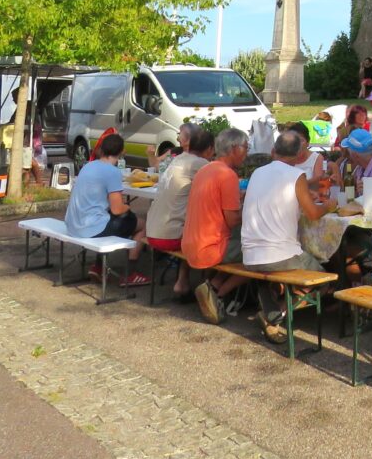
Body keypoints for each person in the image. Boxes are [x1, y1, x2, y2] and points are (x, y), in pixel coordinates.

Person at [241, 130, 339, 343]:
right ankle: (276, 316)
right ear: (298, 155)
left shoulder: (258, 172)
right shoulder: (296, 176)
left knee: (265, 274)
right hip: (280, 255)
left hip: (249, 255)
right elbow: (313, 214)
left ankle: (270, 310)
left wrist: (305, 196)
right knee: (324, 281)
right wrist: (330, 205)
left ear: (274, 150)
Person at [63, 132, 150, 287]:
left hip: (73, 223)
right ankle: (130, 273)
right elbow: (117, 209)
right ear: (121, 152)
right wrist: (127, 206)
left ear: (102, 149)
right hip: (89, 228)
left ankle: (98, 267)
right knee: (142, 224)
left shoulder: (88, 166)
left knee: (107, 218)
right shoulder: (112, 171)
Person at [184, 127, 251, 324]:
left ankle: (212, 287)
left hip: (191, 242)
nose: (247, 152)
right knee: (258, 253)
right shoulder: (227, 175)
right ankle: (216, 292)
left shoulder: (205, 169)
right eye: (246, 148)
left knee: (242, 244)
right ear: (234, 149)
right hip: (210, 247)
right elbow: (232, 221)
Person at [145, 123, 212, 299]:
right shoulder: (201, 164)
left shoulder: (178, 159)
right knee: (202, 234)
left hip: (151, 230)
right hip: (169, 236)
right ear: (209, 149)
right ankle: (202, 285)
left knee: (189, 226)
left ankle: (184, 281)